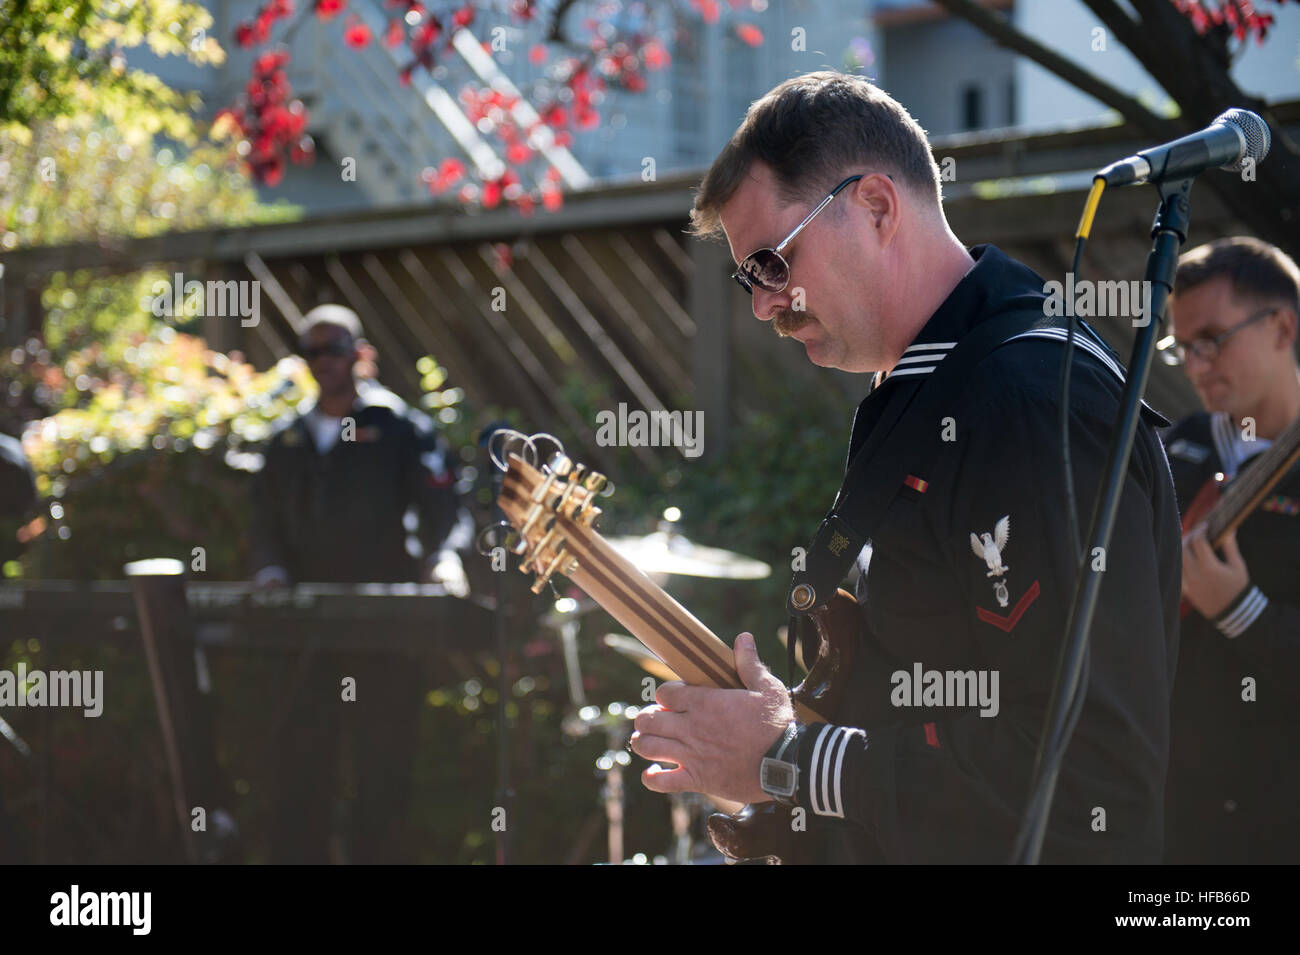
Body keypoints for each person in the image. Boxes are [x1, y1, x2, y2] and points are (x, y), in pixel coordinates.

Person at [627, 71, 1182, 863]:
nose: (762, 303)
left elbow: (1091, 782)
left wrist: (792, 759)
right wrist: (799, 733)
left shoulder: (1023, 403)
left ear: (878, 207)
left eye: (774, 262)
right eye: (748, 276)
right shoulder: (938, 384)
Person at [250, 304, 465, 863]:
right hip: (305, 633)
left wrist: (444, 560)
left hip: (385, 630)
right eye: (312, 351)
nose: (324, 361)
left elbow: (444, 510)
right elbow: (264, 524)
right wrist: (269, 572)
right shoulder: (286, 441)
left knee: (383, 766)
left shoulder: (400, 428)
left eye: (334, 348)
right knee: (301, 766)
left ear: (359, 353)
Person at [1159, 237, 1300, 863]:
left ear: (1282, 327)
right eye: (1183, 347)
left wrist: (1241, 609)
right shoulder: (1173, 452)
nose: (1196, 364)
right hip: (1170, 815)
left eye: (1212, 339)